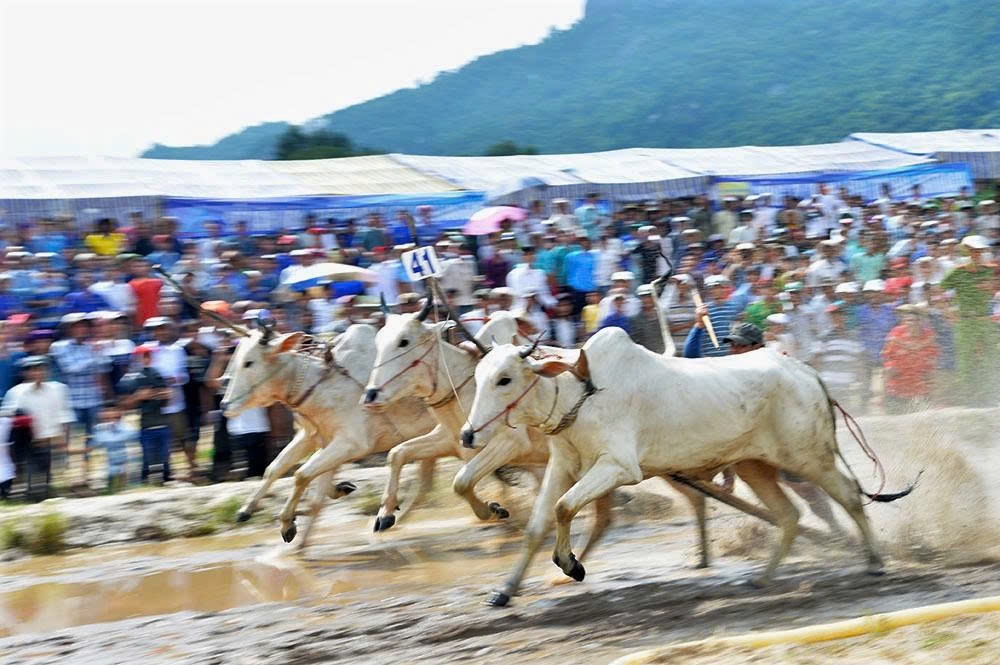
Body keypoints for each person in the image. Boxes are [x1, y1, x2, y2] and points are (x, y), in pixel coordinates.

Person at [0, 356, 75, 500]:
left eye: (40, 369)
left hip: (49, 440)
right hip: (26, 443)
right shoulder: (16, 393)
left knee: (46, 475)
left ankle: (43, 499)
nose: (37, 373)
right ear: (26, 373)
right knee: (29, 475)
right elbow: (9, 420)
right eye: (33, 370)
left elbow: (64, 415)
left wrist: (63, 439)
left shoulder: (58, 389)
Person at [939, 235, 1000, 406]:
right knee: (966, 359)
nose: (976, 254)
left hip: (985, 320)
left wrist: (992, 287)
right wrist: (947, 312)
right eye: (973, 250)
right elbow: (938, 291)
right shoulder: (957, 272)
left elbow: (994, 288)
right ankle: (969, 398)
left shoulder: (990, 270)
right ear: (966, 251)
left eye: (979, 251)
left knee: (994, 356)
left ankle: (992, 394)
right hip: (966, 321)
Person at [121, 345, 172, 483]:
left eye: (148, 355)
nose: (147, 359)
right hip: (141, 423)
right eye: (144, 356)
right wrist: (138, 397)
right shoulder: (130, 378)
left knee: (164, 455)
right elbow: (122, 404)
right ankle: (143, 480)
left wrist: (161, 395)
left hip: (161, 421)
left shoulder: (157, 373)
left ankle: (165, 479)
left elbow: (166, 397)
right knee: (145, 457)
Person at [881, 304, 939, 414]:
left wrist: (914, 347)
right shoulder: (897, 332)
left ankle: (933, 402)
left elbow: (932, 360)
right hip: (897, 389)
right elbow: (889, 348)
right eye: (907, 320)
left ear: (919, 321)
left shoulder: (928, 334)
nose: (910, 323)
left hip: (919, 390)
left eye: (913, 320)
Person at [89, 404, 137, 492]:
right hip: (109, 461)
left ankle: (123, 486)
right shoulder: (100, 428)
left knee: (122, 469)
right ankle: (114, 486)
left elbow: (132, 435)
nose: (109, 416)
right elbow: (96, 442)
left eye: (112, 412)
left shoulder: (125, 427)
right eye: (106, 413)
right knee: (112, 473)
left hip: (124, 458)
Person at [629, 284, 665, 353]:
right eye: (643, 297)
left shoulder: (662, 316)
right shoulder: (635, 320)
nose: (646, 300)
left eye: (649, 296)